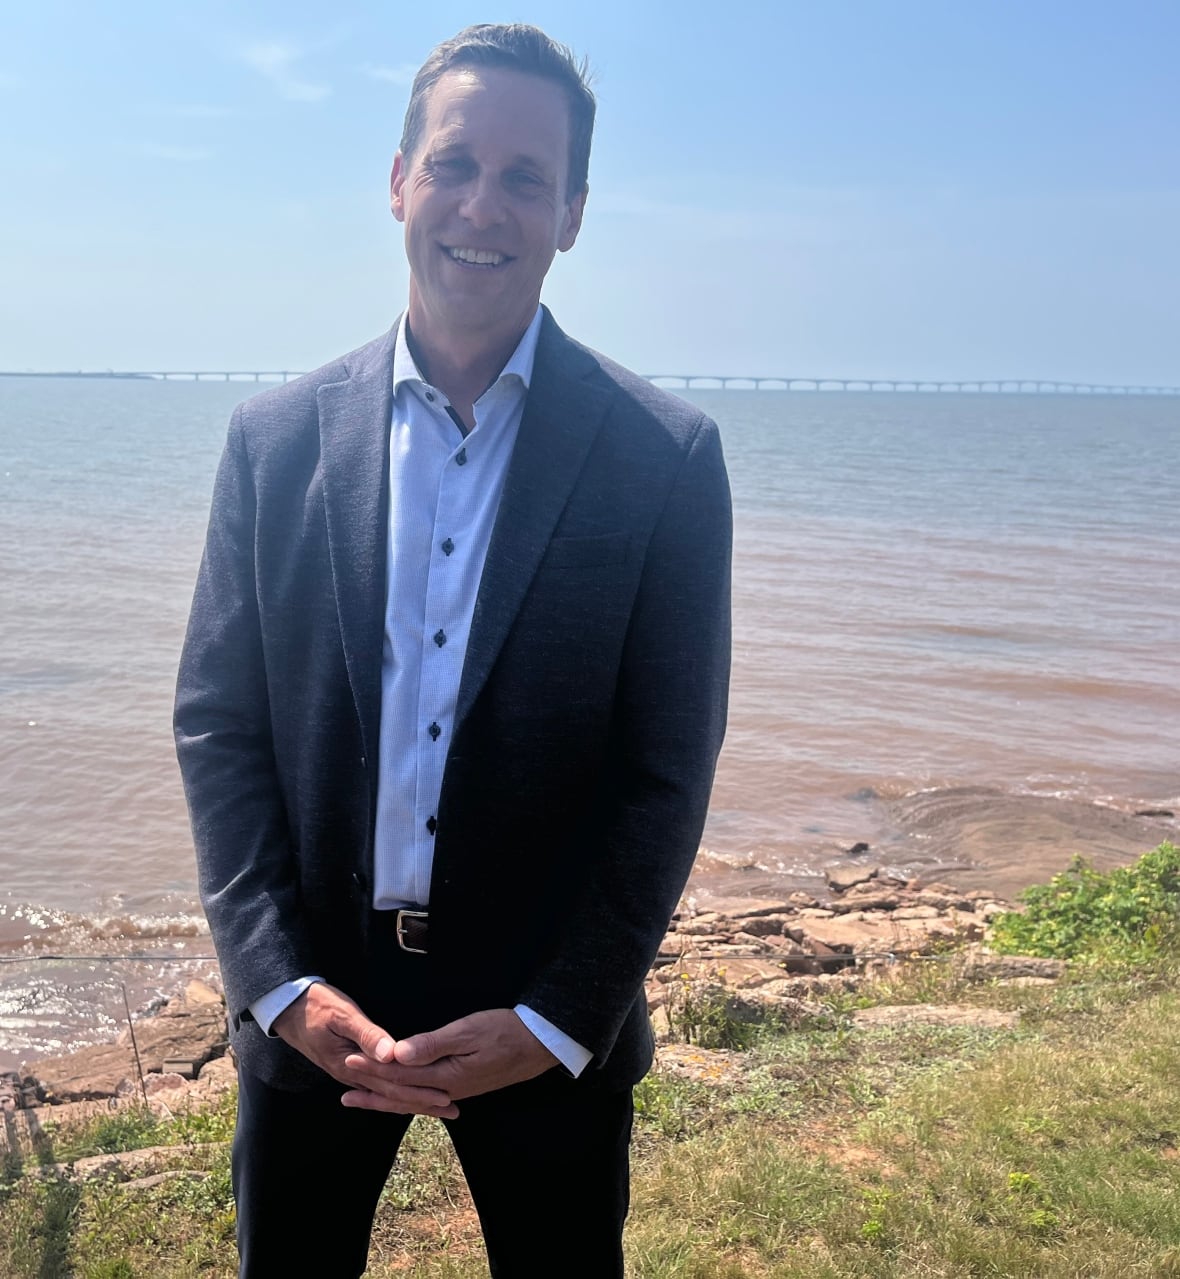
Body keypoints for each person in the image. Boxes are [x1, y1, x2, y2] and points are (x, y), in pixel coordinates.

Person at [174, 22, 731, 1279]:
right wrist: (274, 984)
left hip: (540, 1004)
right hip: (319, 1006)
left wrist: (556, 1015)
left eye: (526, 177)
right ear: (398, 181)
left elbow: (663, 771)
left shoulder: (666, 458)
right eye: (455, 162)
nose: (484, 203)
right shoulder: (273, 442)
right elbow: (220, 721)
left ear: (572, 213)